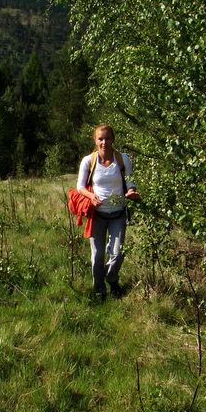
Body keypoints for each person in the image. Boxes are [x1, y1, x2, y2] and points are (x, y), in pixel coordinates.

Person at [76, 124, 140, 301]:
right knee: (97, 255)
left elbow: (130, 180)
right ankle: (99, 289)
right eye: (100, 139)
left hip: (118, 213)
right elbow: (80, 186)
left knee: (117, 253)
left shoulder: (123, 159)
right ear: (95, 140)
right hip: (97, 214)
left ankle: (111, 280)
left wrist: (131, 191)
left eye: (107, 138)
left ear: (113, 139)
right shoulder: (89, 160)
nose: (104, 142)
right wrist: (91, 196)